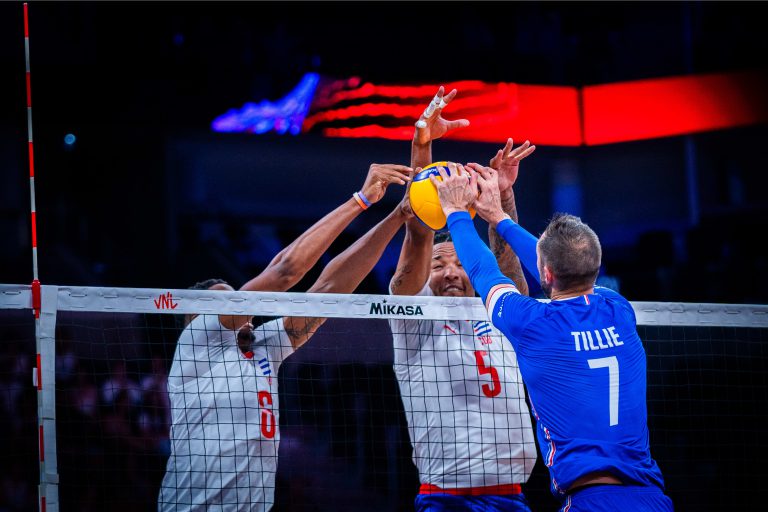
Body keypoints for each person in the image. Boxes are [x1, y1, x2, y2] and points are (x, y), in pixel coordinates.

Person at [158, 161, 414, 512]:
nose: (236, 309)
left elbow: (330, 290)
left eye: (234, 298)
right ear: (194, 321)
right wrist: (361, 200)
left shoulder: (262, 347)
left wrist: (398, 215)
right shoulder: (195, 343)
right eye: (224, 303)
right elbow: (285, 272)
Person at [431, 163, 674, 511]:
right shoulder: (618, 309)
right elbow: (561, 264)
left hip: (592, 501)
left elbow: (484, 270)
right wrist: (499, 217)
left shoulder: (534, 323)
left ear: (545, 271)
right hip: (653, 498)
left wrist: (456, 212)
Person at [388, 86, 538, 511]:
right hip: (447, 496)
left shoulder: (498, 312)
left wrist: (502, 196)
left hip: (513, 496)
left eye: (459, 265)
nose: (452, 272)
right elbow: (418, 229)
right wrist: (423, 145)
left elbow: (510, 274)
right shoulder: (414, 316)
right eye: (439, 265)